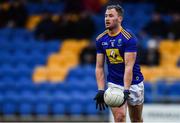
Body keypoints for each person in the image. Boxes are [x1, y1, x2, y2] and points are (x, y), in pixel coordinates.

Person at [93, 5, 144, 122]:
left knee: (136, 119)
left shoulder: (128, 38)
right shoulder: (100, 39)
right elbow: (99, 67)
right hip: (115, 83)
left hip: (134, 82)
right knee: (120, 117)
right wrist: (101, 90)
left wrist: (126, 90)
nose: (107, 19)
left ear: (119, 19)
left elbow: (128, 67)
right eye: (106, 16)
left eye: (111, 16)